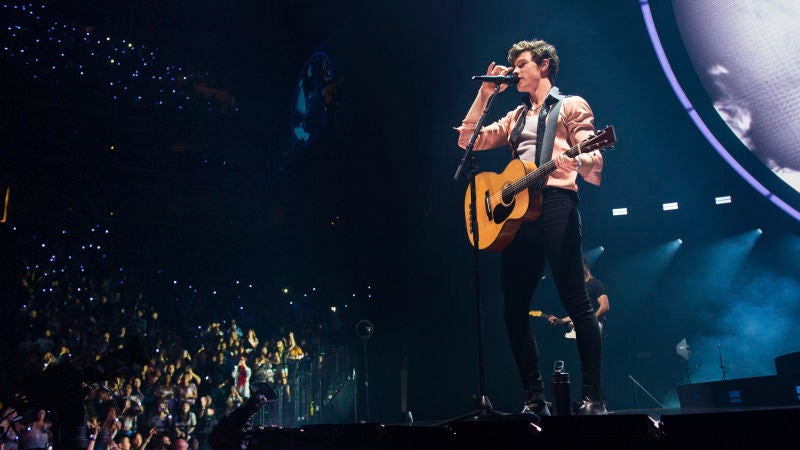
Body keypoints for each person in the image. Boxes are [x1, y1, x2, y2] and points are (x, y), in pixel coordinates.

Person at [455, 38, 607, 416]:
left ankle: (594, 398)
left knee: (575, 299)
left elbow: (591, 149)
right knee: (513, 309)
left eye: (521, 64)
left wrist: (580, 160)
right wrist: (485, 94)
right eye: (513, 66)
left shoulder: (570, 105)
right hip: (518, 214)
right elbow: (468, 140)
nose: (515, 71)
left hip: (556, 202)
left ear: (544, 65)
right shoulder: (515, 117)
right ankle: (534, 399)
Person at [549, 257, 610, 340]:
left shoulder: (595, 283)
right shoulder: (580, 288)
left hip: (594, 326)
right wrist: (560, 320)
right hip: (584, 328)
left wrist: (590, 321)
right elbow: (579, 314)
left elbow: (605, 307)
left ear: (585, 266)